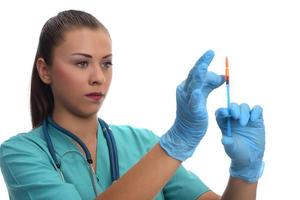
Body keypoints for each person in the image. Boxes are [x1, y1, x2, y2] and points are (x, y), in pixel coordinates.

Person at [0, 10, 265, 200]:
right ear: (45, 71)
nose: (98, 77)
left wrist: (244, 173)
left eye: (106, 63)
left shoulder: (144, 144)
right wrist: (178, 142)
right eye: (81, 63)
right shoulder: (21, 154)